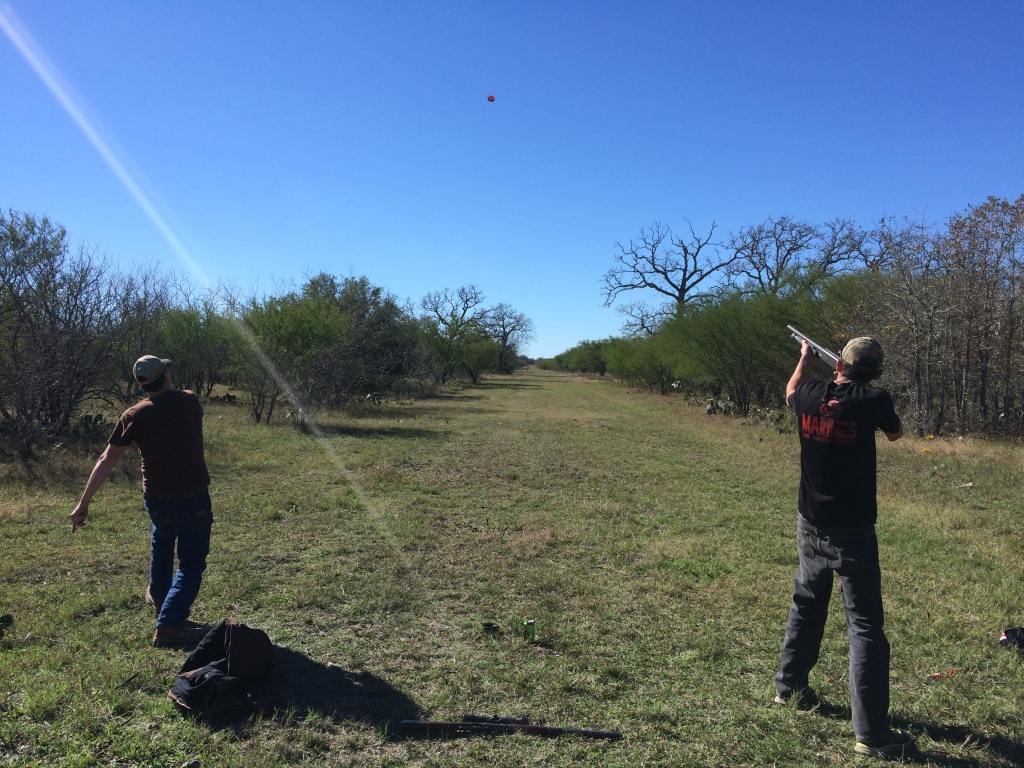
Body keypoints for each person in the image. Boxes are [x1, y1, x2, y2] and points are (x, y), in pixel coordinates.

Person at [774, 336, 913, 758]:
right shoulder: (873, 399)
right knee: (865, 626)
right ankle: (871, 735)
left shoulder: (811, 392)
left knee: (806, 602)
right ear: (876, 370)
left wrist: (804, 358)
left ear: (839, 365)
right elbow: (896, 433)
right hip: (853, 530)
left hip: (810, 522)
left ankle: (789, 688)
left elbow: (791, 392)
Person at [70, 355, 213, 648]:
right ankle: (170, 625)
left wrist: (83, 503)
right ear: (166, 378)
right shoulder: (189, 400)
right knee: (191, 563)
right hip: (193, 495)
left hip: (157, 498)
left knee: (162, 538)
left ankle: (159, 595)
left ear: (141, 384)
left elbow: (106, 459)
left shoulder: (133, 416)